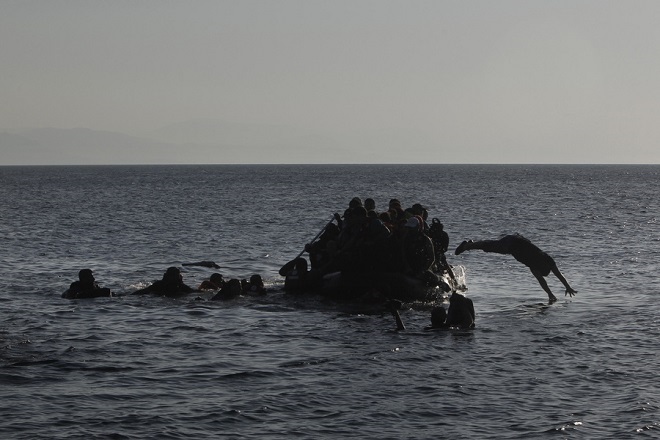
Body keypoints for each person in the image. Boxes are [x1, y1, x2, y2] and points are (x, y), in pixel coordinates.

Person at [455, 233, 577, 302]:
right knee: (489, 246)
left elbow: (557, 276)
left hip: (515, 241)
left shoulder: (546, 261)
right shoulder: (537, 263)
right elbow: (544, 280)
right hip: (512, 244)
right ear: (542, 268)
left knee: (489, 246)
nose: (539, 274)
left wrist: (567, 287)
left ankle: (470, 244)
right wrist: (551, 294)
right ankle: (468, 245)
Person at [132, 267, 198, 297]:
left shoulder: (159, 284)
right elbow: (194, 292)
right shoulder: (181, 286)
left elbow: (144, 291)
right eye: (177, 275)